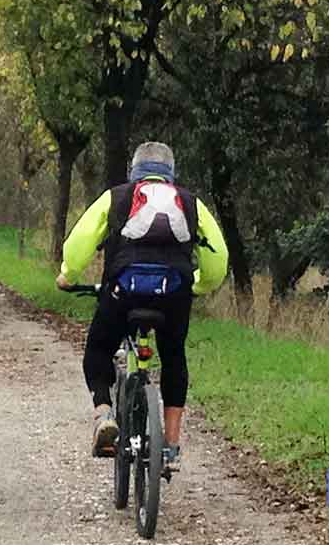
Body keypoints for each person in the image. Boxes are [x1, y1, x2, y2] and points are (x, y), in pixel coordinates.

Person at [55, 142, 228, 463]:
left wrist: (68, 274)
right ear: (171, 175)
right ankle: (171, 443)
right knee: (174, 356)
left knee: (98, 348)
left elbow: (78, 243)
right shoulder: (191, 203)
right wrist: (199, 285)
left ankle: (105, 415)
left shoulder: (117, 197)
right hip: (174, 294)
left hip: (123, 291)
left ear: (134, 172)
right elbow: (219, 257)